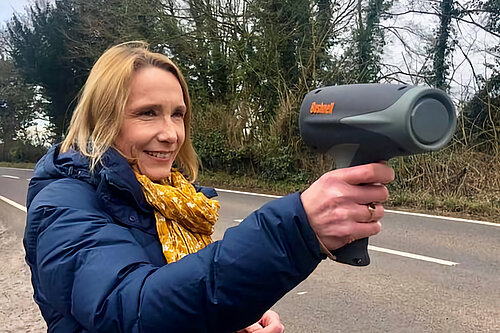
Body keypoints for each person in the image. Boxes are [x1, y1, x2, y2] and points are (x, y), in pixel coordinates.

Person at [24, 41, 394, 333]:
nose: (170, 134)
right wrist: (294, 230)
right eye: (147, 113)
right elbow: (133, 311)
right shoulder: (62, 205)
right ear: (101, 119)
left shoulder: (173, 198)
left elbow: (187, 295)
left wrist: (236, 314)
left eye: (178, 114)